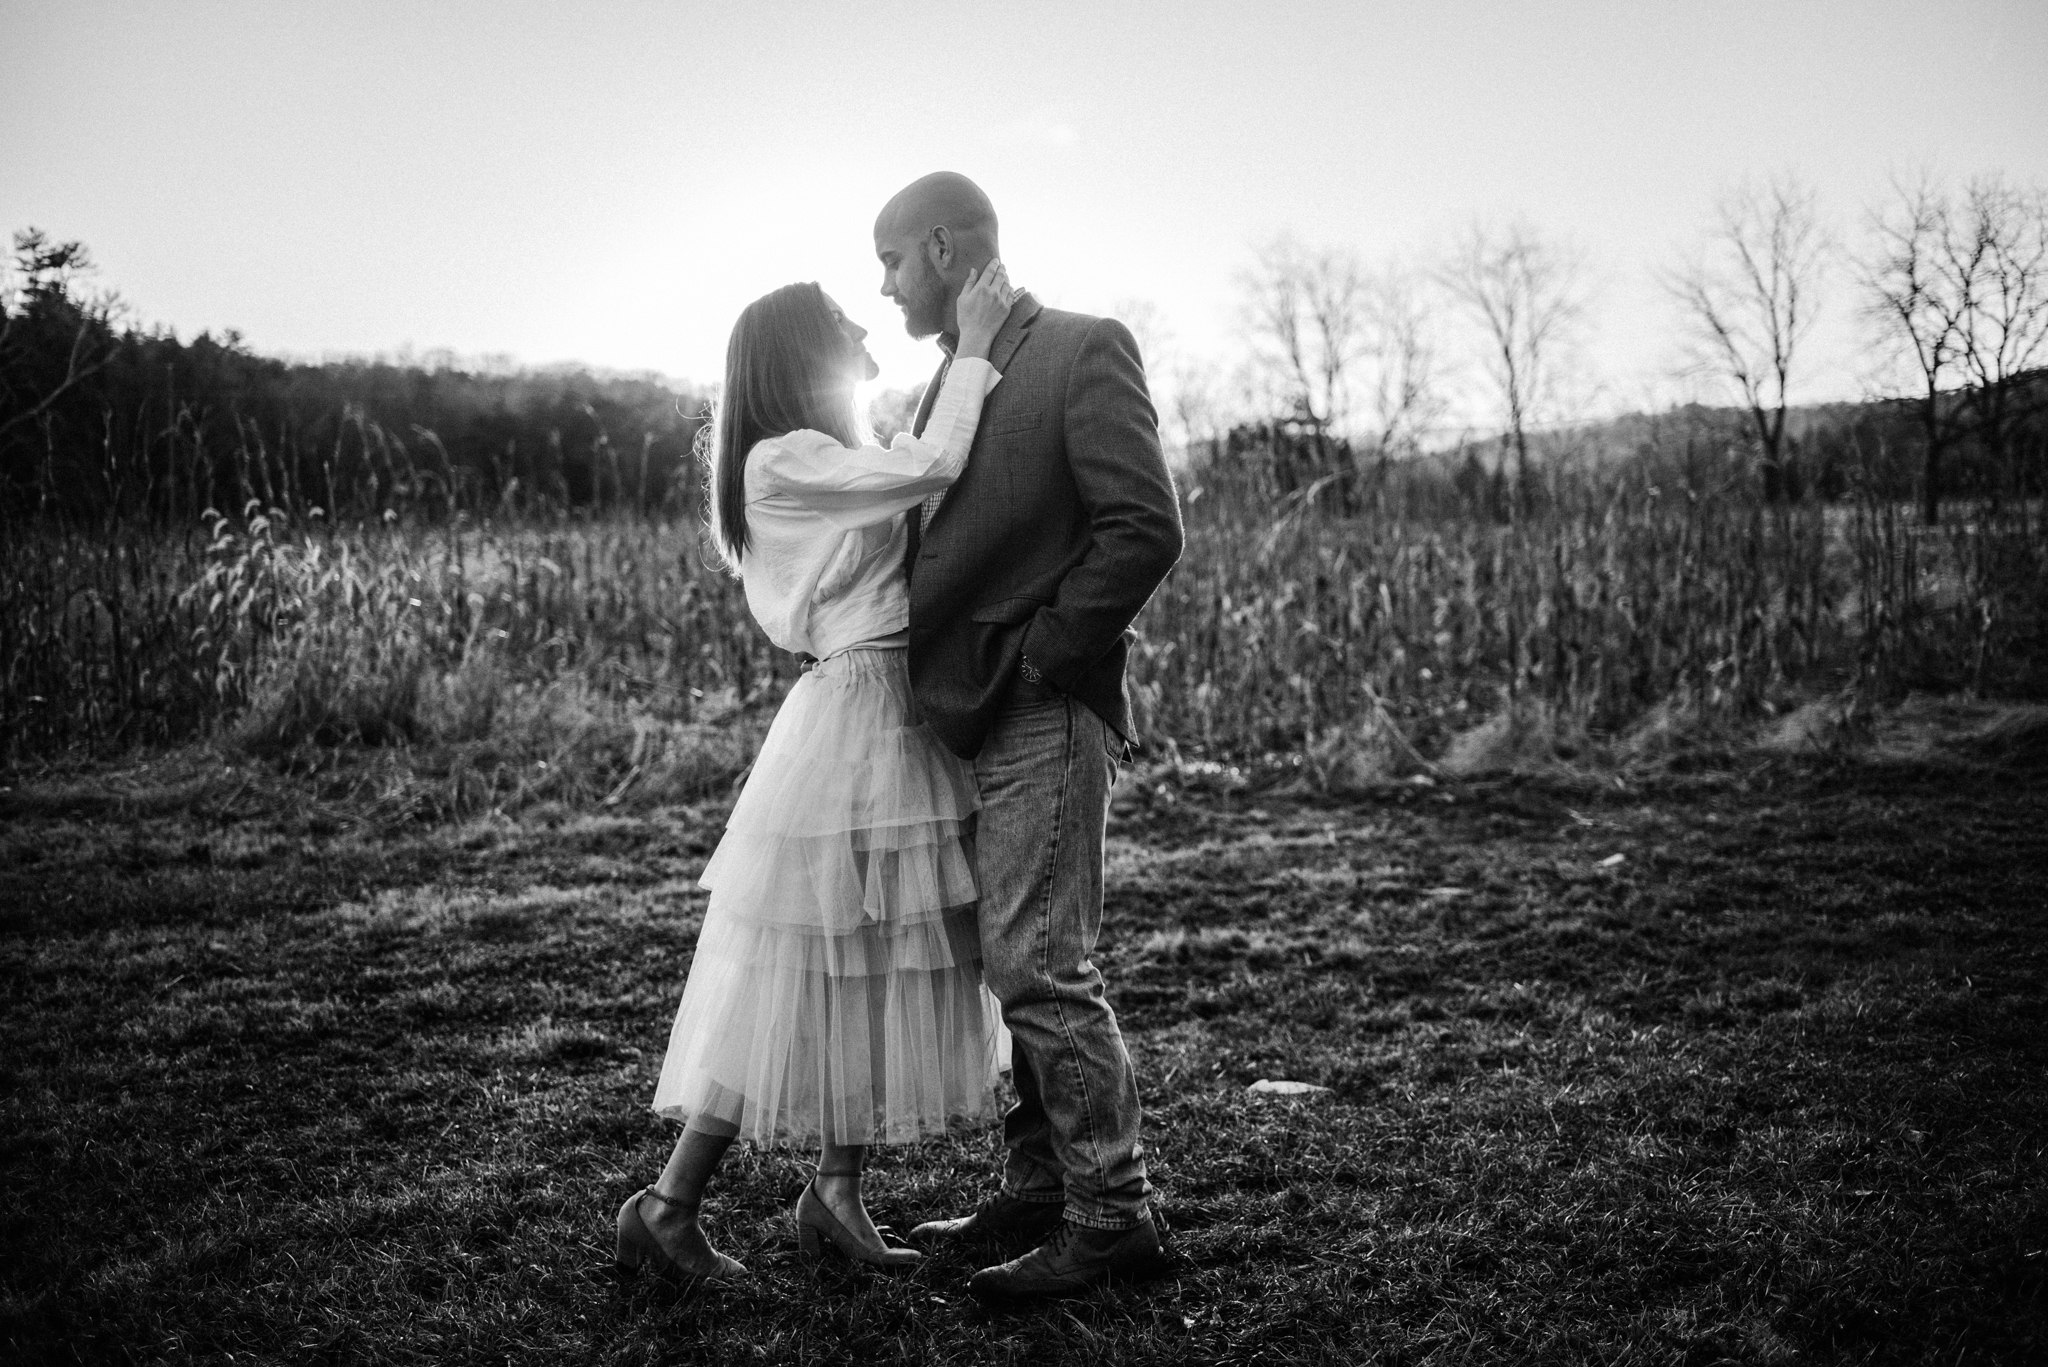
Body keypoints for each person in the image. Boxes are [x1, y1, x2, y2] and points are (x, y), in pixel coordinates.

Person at [614, 261, 1018, 1281]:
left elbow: (919, 478)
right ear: (802, 351)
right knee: (793, 966)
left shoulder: (831, 445)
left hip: (894, 707)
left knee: (875, 959)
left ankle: (835, 1186)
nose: (863, 320)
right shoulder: (778, 460)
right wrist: (971, 343)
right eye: (841, 319)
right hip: (856, 715)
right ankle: (666, 1205)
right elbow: (931, 467)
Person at [873, 172, 1185, 1299]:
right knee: (1010, 967)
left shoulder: (1081, 348)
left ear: (944, 250)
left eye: (892, 260)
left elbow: (1143, 524)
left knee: (1040, 963)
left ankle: (1113, 1216)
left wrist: (1046, 658)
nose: (884, 282)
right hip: (967, 715)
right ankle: (1039, 1185)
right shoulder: (937, 388)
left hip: (1042, 708)